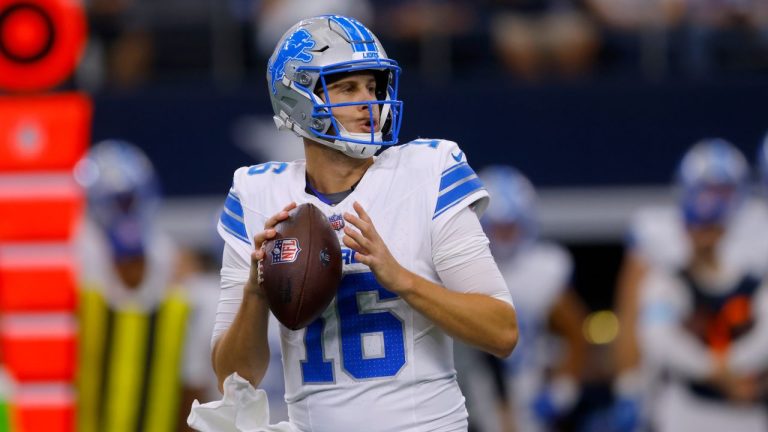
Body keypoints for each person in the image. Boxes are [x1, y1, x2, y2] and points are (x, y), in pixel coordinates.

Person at [201, 15, 518, 432]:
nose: (369, 102)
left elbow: (501, 331)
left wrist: (402, 279)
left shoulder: (428, 171)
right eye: (347, 88)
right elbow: (233, 378)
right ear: (297, 97)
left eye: (373, 86)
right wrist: (256, 296)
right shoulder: (258, 195)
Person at [614, 138, 768, 431]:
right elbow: (657, 338)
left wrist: (731, 368)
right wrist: (629, 388)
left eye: (711, 223)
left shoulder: (757, 248)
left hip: (748, 398)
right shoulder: (665, 274)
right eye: (698, 221)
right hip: (686, 400)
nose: (703, 233)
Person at [74, 140, 217, 432]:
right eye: (115, 202)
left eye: (128, 201)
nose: (122, 213)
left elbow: (192, 390)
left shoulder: (175, 275)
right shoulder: (70, 267)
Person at [455, 166, 587, 432]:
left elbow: (575, 331)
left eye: (510, 227)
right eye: (498, 227)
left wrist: (563, 390)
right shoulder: (461, 267)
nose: (504, 236)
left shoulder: (545, 267)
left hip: (530, 383)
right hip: (475, 389)